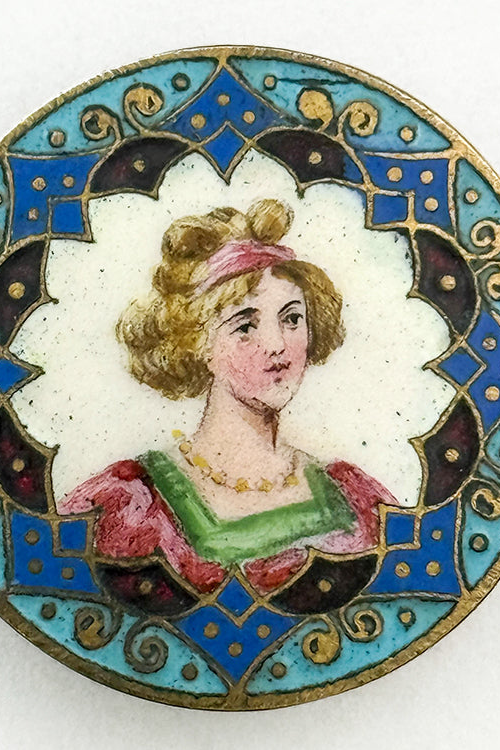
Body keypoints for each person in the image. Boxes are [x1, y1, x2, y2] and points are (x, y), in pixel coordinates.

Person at [58, 199, 397, 600]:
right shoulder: (129, 501)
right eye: (245, 325)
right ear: (195, 343)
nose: (277, 345)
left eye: (292, 319)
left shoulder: (355, 496)